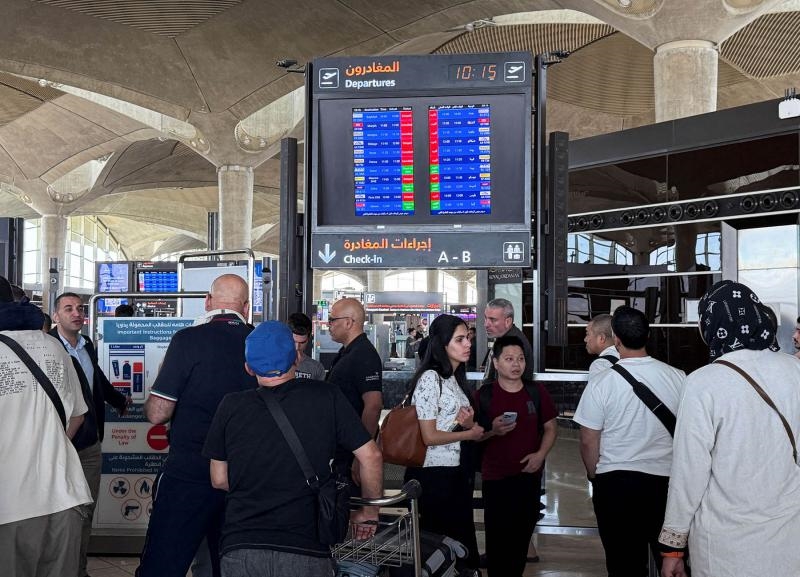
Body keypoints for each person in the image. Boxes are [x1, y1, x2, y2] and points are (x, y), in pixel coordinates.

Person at [203, 321, 383, 577]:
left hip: (242, 547)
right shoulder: (327, 396)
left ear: (248, 367)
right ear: (296, 359)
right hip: (305, 548)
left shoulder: (230, 406)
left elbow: (219, 479)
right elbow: (371, 456)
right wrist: (369, 512)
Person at [658, 281, 800, 577]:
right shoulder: (795, 371)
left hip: (726, 546)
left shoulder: (703, 383)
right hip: (790, 537)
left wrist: (673, 546)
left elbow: (689, 471)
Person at [136, 274, 257, 577]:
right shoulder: (259, 343)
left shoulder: (187, 340)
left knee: (163, 564)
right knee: (232, 564)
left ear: (208, 301)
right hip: (244, 476)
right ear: (246, 307)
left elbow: (158, 413)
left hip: (189, 471)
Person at [574, 306, 685, 577]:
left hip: (616, 484)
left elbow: (588, 440)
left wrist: (595, 475)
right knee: (672, 563)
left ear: (616, 339)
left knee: (624, 564)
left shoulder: (602, 382)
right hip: (666, 485)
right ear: (647, 336)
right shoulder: (678, 377)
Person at [0, 276, 92, 577]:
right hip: (64, 495)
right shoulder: (53, 346)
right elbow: (78, 415)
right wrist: (47, 444)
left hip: (10, 506)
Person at [51, 291, 131, 577]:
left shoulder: (87, 346)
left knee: (85, 509)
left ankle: (78, 569)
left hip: (89, 443)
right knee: (59, 512)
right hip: (58, 443)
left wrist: (118, 400)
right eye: (68, 308)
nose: (77, 313)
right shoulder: (48, 348)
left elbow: (95, 379)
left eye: (80, 308)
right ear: (56, 316)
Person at [403, 314, 484, 570]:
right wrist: (468, 434)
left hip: (454, 473)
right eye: (459, 339)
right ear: (442, 344)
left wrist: (467, 425)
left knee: (457, 547)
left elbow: (449, 425)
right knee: (439, 550)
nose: (468, 344)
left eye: (468, 338)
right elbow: (429, 436)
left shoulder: (454, 379)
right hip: (433, 476)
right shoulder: (430, 378)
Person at [475, 335, 558, 577]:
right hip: (496, 479)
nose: (516, 364)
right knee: (498, 542)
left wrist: (540, 454)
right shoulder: (484, 395)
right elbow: (474, 436)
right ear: (496, 362)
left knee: (520, 543)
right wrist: (493, 430)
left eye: (520, 359)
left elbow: (551, 428)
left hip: (528, 477)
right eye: (509, 359)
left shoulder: (536, 391)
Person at [326, 297, 383, 484]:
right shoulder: (347, 352)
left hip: (353, 450)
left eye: (332, 320)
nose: (328, 325)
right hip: (342, 447)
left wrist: (362, 455)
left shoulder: (364, 354)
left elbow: (373, 405)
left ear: (349, 322)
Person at [483, 298, 534, 383]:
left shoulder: (512, 344)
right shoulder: (508, 339)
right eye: (485, 318)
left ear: (508, 321)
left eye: (493, 320)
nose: (486, 324)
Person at [287, 311, 325, 380]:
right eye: (294, 341)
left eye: (302, 342)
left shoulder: (316, 368)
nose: (297, 347)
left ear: (308, 339)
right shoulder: (275, 363)